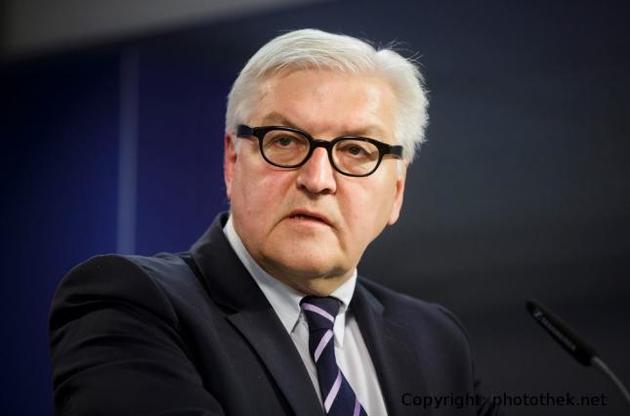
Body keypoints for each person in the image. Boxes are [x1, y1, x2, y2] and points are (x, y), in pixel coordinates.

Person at [50, 29, 499, 415]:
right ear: (232, 161)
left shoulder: (436, 341)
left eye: (356, 150)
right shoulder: (131, 304)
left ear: (397, 190)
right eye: (284, 141)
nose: (317, 180)